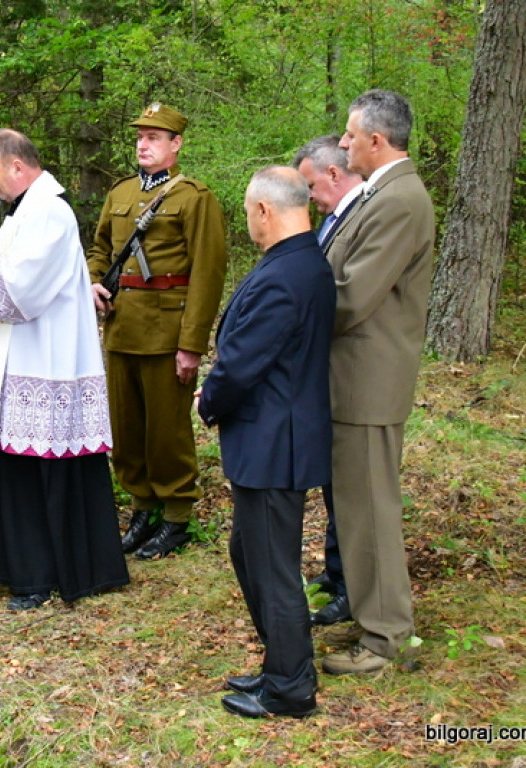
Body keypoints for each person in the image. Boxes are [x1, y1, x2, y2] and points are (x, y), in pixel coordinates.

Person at [0, 128, 129, 611]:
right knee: (14, 469)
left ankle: (41, 574)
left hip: (44, 362)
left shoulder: (50, 210)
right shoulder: (22, 212)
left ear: (16, 165)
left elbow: (21, 290)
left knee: (36, 472)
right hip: (15, 360)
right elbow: (4, 273)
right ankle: (15, 568)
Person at [198, 166, 335, 719]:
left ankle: (291, 688)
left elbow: (242, 363)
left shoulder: (289, 273)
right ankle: (281, 662)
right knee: (249, 553)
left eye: (248, 211)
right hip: (276, 435)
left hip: (276, 439)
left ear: (264, 211)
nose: (248, 221)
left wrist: (208, 399)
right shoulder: (300, 262)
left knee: (272, 566)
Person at [320, 90, 435, 675]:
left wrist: (292, 312)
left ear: (376, 141)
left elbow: (352, 297)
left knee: (370, 512)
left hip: (367, 383)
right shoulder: (381, 194)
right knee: (358, 509)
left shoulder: (398, 201)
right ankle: (373, 618)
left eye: (349, 135)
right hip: (352, 382)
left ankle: (387, 640)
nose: (342, 143)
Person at [87, 103, 227, 560]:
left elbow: (207, 273)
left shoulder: (194, 197)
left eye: (154, 137)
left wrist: (192, 345)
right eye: (140, 137)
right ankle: (142, 508)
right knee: (127, 427)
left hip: (167, 331)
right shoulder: (121, 192)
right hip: (122, 326)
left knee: (166, 430)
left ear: (176, 144)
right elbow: (101, 248)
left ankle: (176, 517)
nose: (143, 144)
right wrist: (92, 280)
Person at [291, 134, 364, 626]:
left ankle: (353, 584)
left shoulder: (364, 215)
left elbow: (346, 298)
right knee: (336, 485)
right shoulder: (336, 219)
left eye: (311, 186)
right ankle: (338, 573)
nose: (310, 199)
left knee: (354, 492)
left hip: (354, 375)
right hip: (327, 373)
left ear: (334, 175)